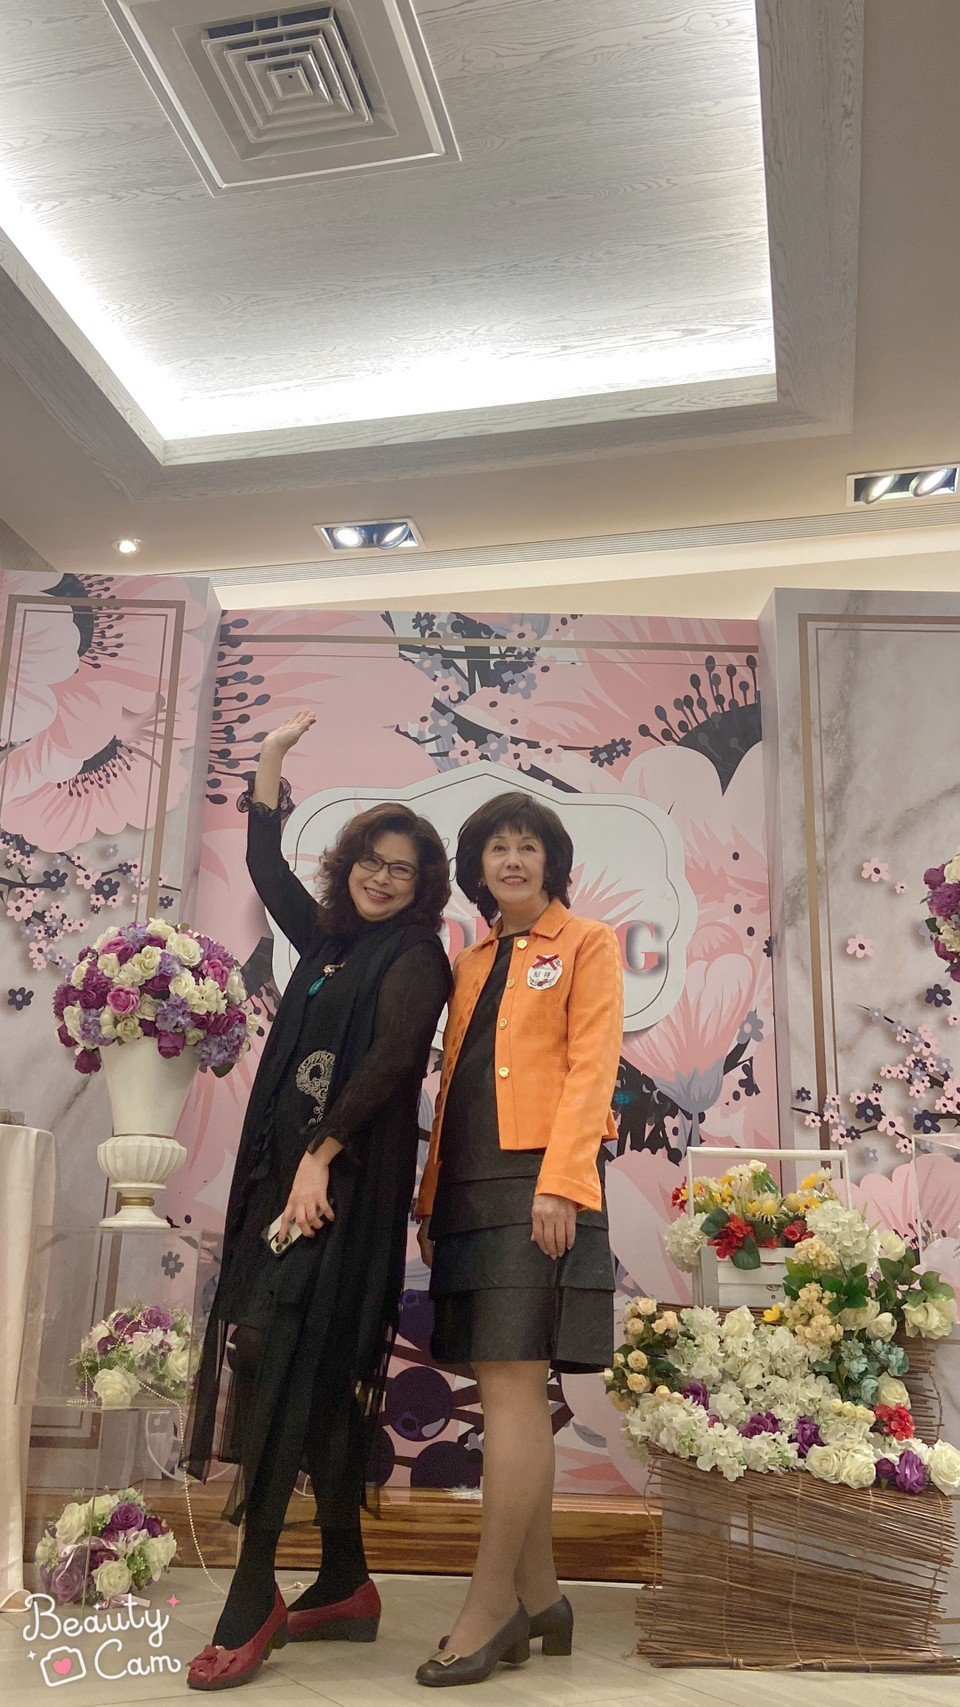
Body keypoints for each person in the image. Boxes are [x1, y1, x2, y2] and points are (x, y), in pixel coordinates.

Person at [183, 710, 452, 1693]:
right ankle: (345, 1579)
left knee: (288, 1363)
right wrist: (268, 763)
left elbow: (391, 1064)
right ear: (352, 866)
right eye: (372, 861)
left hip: (341, 1191)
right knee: (302, 1368)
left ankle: (252, 1591)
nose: (383, 878)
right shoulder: (329, 942)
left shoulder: (417, 957)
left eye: (403, 871)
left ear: (423, 887)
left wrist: (321, 1155)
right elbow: (265, 867)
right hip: (287, 1178)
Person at [414, 790, 623, 1688]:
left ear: (551, 861)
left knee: (511, 1389)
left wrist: (563, 1181)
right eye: (496, 847)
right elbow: (456, 1085)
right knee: (510, 1391)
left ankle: (491, 1604)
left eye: (527, 845)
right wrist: (431, 1200)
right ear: (477, 867)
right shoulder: (471, 959)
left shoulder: (589, 942)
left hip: (538, 1182)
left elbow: (593, 1065)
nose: (511, 859)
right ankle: (543, 1596)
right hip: (467, 1188)